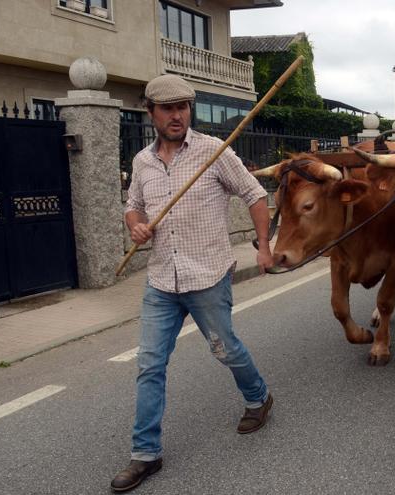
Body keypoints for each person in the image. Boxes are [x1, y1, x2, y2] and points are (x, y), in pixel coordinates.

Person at [111, 74, 275, 493]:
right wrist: (137, 226)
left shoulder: (213, 151)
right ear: (150, 112)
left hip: (207, 275)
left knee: (225, 350)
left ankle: (258, 397)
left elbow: (255, 195)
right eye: (168, 108)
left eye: (183, 106)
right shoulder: (143, 162)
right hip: (162, 280)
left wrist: (264, 247)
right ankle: (145, 454)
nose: (177, 115)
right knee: (149, 364)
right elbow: (133, 207)